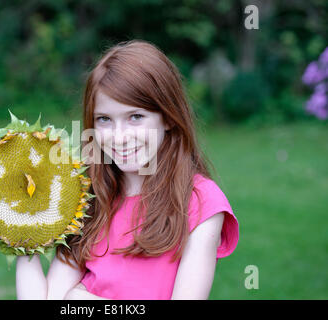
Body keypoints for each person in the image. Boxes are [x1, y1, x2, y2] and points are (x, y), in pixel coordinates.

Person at [16, 39, 239, 300]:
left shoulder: (201, 202)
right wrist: (21, 237)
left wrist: (81, 299)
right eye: (105, 120)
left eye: (135, 117)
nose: (119, 137)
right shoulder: (88, 197)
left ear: (167, 117)